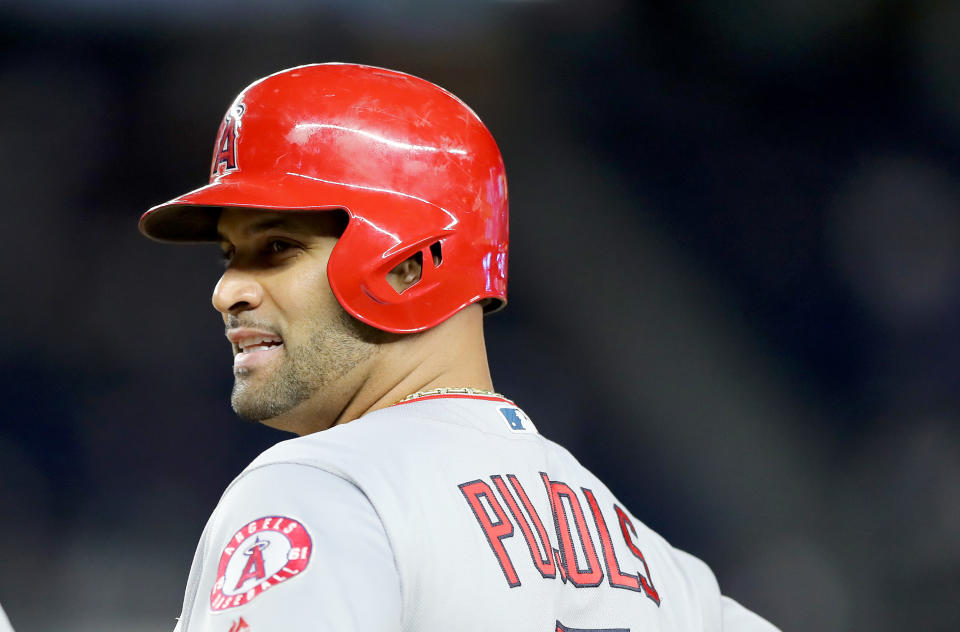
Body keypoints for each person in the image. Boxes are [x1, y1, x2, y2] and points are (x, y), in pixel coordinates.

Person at [141, 63, 779, 632]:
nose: (228, 291)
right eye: (230, 256)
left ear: (413, 263)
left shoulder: (323, 491)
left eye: (277, 247)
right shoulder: (666, 577)